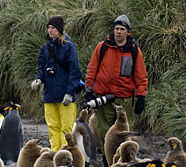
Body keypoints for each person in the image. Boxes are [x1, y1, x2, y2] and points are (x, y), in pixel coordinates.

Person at [84, 15, 148, 159]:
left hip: (124, 97)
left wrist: (141, 96)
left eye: (122, 29)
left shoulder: (133, 51)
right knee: (104, 131)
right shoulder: (103, 47)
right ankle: (109, 160)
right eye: (116, 28)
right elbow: (92, 68)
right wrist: (89, 90)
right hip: (104, 96)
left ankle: (124, 158)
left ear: (127, 32)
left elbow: (141, 75)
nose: (118, 32)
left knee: (124, 132)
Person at [31, 16, 82, 152]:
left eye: (53, 28)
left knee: (66, 127)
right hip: (50, 94)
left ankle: (66, 154)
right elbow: (41, 67)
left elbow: (75, 72)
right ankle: (55, 153)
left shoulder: (69, 47)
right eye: (48, 27)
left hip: (65, 95)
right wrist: (38, 79)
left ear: (59, 30)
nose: (50, 30)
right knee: (53, 126)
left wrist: (70, 93)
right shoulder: (45, 48)